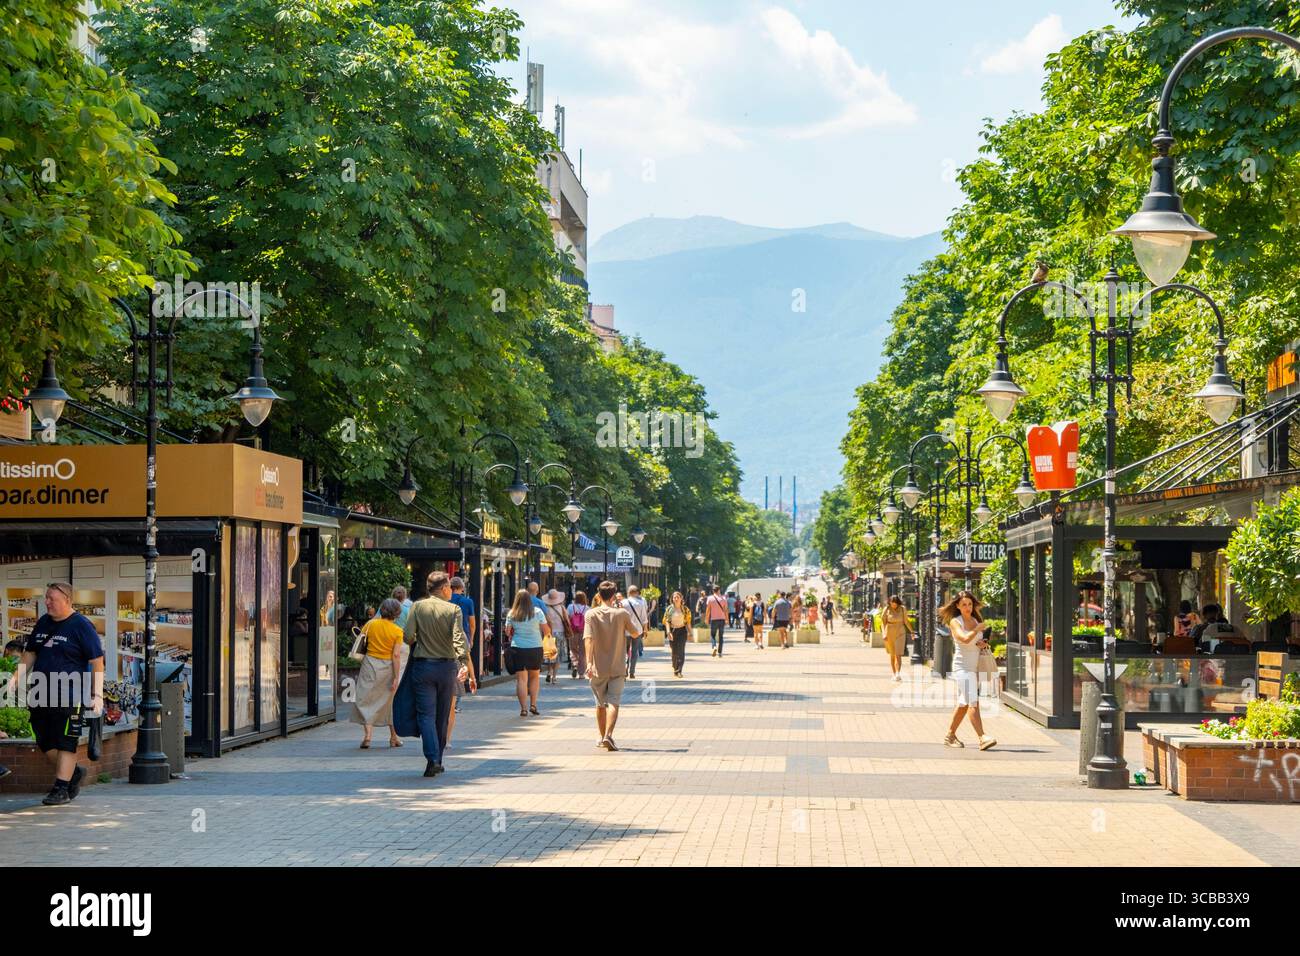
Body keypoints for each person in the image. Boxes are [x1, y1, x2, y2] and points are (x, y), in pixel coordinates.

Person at [17, 582, 105, 805]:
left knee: (66, 741)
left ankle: (61, 789)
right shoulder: (43, 622)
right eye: (46, 597)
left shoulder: (82, 626)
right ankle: (73, 772)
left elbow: (97, 662)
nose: (47, 602)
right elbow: (30, 653)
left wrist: (97, 695)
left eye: (52, 599)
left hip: (71, 694)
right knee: (45, 741)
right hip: (40, 692)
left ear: (67, 600)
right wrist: (15, 677)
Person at [403, 572, 474, 777]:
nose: (451, 591)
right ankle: (438, 759)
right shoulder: (454, 610)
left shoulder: (417, 606)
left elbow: (408, 636)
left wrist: (420, 638)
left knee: (426, 715)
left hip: (423, 667)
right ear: (443, 588)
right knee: (442, 717)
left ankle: (431, 758)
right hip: (446, 668)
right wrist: (464, 664)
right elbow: (459, 639)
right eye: (449, 587)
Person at [584, 581, 640, 751]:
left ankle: (602, 738)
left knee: (600, 704)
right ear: (615, 596)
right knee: (614, 702)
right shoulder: (622, 614)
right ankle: (609, 735)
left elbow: (588, 639)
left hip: (597, 667)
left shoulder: (591, 614)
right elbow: (635, 633)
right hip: (617, 666)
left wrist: (588, 662)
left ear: (599, 595)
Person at [939, 590, 996, 751]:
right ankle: (982, 737)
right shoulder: (955, 622)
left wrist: (983, 643)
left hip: (975, 666)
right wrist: (977, 630)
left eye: (970, 604)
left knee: (964, 703)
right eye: (964, 604)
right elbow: (963, 639)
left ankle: (950, 735)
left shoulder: (975, 620)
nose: (967, 607)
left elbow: (978, 641)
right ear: (957, 605)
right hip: (962, 668)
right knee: (973, 702)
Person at [351, 598, 405, 749]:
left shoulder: (370, 624)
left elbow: (362, 639)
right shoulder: (397, 631)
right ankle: (394, 737)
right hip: (387, 667)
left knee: (366, 698)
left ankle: (368, 736)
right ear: (397, 614)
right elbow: (396, 656)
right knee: (389, 702)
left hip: (369, 664)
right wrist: (396, 676)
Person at [504, 588, 550, 717]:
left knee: (521, 680)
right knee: (534, 677)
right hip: (535, 647)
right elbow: (546, 631)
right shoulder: (537, 612)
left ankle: (523, 709)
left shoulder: (512, 613)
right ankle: (533, 705)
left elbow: (507, 632)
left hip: (518, 648)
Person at [445, 577, 477, 747]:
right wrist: (471, 638)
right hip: (459, 645)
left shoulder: (445, 600)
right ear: (461, 588)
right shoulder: (467, 602)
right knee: (450, 703)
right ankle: (447, 740)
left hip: (436, 660)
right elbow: (472, 623)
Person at [541, 589, 570, 684]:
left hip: (549, 633)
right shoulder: (561, 608)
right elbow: (567, 620)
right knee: (558, 657)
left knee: (550, 656)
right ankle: (554, 677)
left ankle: (549, 671)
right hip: (560, 633)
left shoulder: (545, 609)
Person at [881, 596, 910, 681]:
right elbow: (883, 623)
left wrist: (912, 631)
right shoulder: (886, 609)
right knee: (892, 654)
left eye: (895, 603)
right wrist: (884, 634)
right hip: (889, 632)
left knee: (898, 654)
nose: (893, 605)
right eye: (892, 603)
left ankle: (898, 673)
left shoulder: (902, 609)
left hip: (900, 632)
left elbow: (906, 621)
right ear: (889, 602)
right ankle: (894, 673)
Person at [624, 585, 650, 678]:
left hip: (625, 631)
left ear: (629, 592)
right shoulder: (641, 603)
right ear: (636, 593)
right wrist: (645, 630)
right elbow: (644, 619)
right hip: (637, 631)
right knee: (634, 652)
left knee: (625, 651)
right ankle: (632, 672)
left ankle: (625, 669)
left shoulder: (623, 603)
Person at [664, 591, 691, 677]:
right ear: (672, 599)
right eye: (674, 597)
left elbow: (687, 622)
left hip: (682, 631)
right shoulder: (669, 609)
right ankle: (675, 666)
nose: (676, 599)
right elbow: (667, 621)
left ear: (681, 598)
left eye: (677, 597)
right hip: (672, 630)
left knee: (681, 651)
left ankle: (679, 670)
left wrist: (690, 633)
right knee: (674, 651)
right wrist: (668, 632)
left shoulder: (685, 609)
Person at [566, 591, 589, 679]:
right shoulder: (587, 608)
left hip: (573, 631)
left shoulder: (570, 607)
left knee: (573, 649)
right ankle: (581, 673)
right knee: (583, 652)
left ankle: (575, 665)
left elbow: (567, 618)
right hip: (584, 631)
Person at [704, 585, 728, 657]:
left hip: (714, 620)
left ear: (713, 590)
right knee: (721, 636)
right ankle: (720, 652)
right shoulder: (724, 598)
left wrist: (706, 619)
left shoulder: (710, 598)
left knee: (713, 635)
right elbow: (726, 610)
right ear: (719, 590)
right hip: (722, 619)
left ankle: (714, 646)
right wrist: (727, 619)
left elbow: (708, 610)